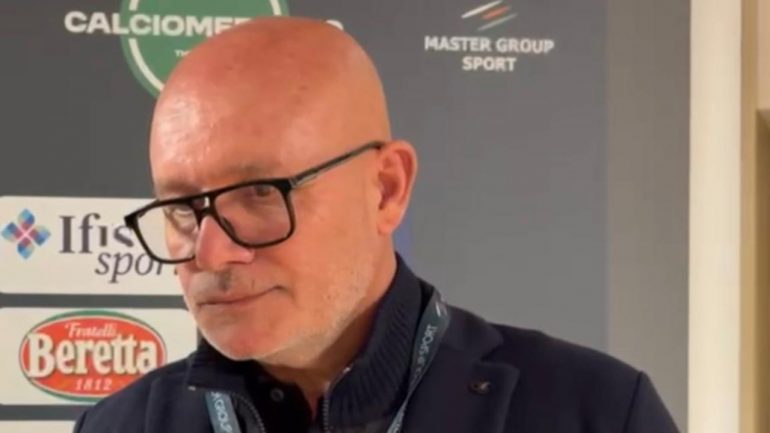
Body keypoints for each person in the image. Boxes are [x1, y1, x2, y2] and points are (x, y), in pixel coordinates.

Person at [74, 16, 679, 433]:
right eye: (182, 207)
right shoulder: (116, 427)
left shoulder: (596, 414)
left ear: (387, 188)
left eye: (259, 193)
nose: (211, 253)